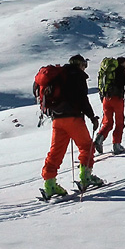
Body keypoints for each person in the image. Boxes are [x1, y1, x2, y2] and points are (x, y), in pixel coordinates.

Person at [41, 54, 104, 197]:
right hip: (73, 118)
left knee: (55, 152)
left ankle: (49, 184)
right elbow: (83, 99)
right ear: (79, 64)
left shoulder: (59, 75)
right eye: (84, 64)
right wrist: (92, 117)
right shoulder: (77, 76)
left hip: (57, 119)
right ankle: (86, 177)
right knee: (87, 146)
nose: (84, 67)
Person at [94, 56, 125, 155]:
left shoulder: (108, 73)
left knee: (108, 122)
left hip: (106, 99)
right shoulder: (123, 73)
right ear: (122, 64)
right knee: (119, 122)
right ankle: (116, 145)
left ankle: (99, 138)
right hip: (117, 100)